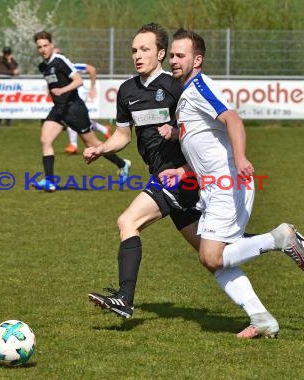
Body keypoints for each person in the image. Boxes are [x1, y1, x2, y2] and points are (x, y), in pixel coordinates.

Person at [156, 27, 304, 338]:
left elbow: (233, 119)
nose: (174, 61)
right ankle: (262, 319)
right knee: (217, 262)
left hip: (228, 185)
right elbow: (205, 146)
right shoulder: (187, 95)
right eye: (173, 55)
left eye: (181, 55)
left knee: (211, 256)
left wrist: (242, 157)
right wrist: (185, 172)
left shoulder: (201, 87)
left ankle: (279, 238)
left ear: (197, 59)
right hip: (214, 186)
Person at [84, 23, 202, 319]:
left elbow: (198, 130)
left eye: (145, 49)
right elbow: (123, 135)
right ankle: (277, 239)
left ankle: (124, 299)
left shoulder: (176, 87)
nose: (138, 55)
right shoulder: (127, 91)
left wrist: (175, 132)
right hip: (161, 175)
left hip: (178, 176)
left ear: (161, 53)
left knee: (127, 221)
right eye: (134, 50)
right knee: (212, 251)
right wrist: (102, 148)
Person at [33, 31, 130, 192]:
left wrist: (62, 90)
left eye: (45, 45)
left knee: (93, 144)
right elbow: (52, 83)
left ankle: (122, 164)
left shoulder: (60, 61)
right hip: (58, 110)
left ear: (51, 45)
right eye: (39, 47)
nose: (43, 49)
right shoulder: (43, 66)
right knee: (45, 140)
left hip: (74, 108)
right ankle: (50, 181)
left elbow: (78, 81)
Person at [51, 50, 112, 155]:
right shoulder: (54, 71)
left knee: (72, 117)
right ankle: (104, 129)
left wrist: (92, 87)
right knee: (81, 120)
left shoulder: (73, 66)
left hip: (79, 95)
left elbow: (91, 69)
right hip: (69, 98)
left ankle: (73, 145)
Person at [0, 46, 21, 127]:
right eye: (6, 53)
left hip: (8, 86)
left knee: (9, 103)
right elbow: (0, 71)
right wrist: (12, 72)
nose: (7, 55)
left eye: (8, 53)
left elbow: (16, 69)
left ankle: (8, 122)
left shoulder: (11, 61)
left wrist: (9, 61)